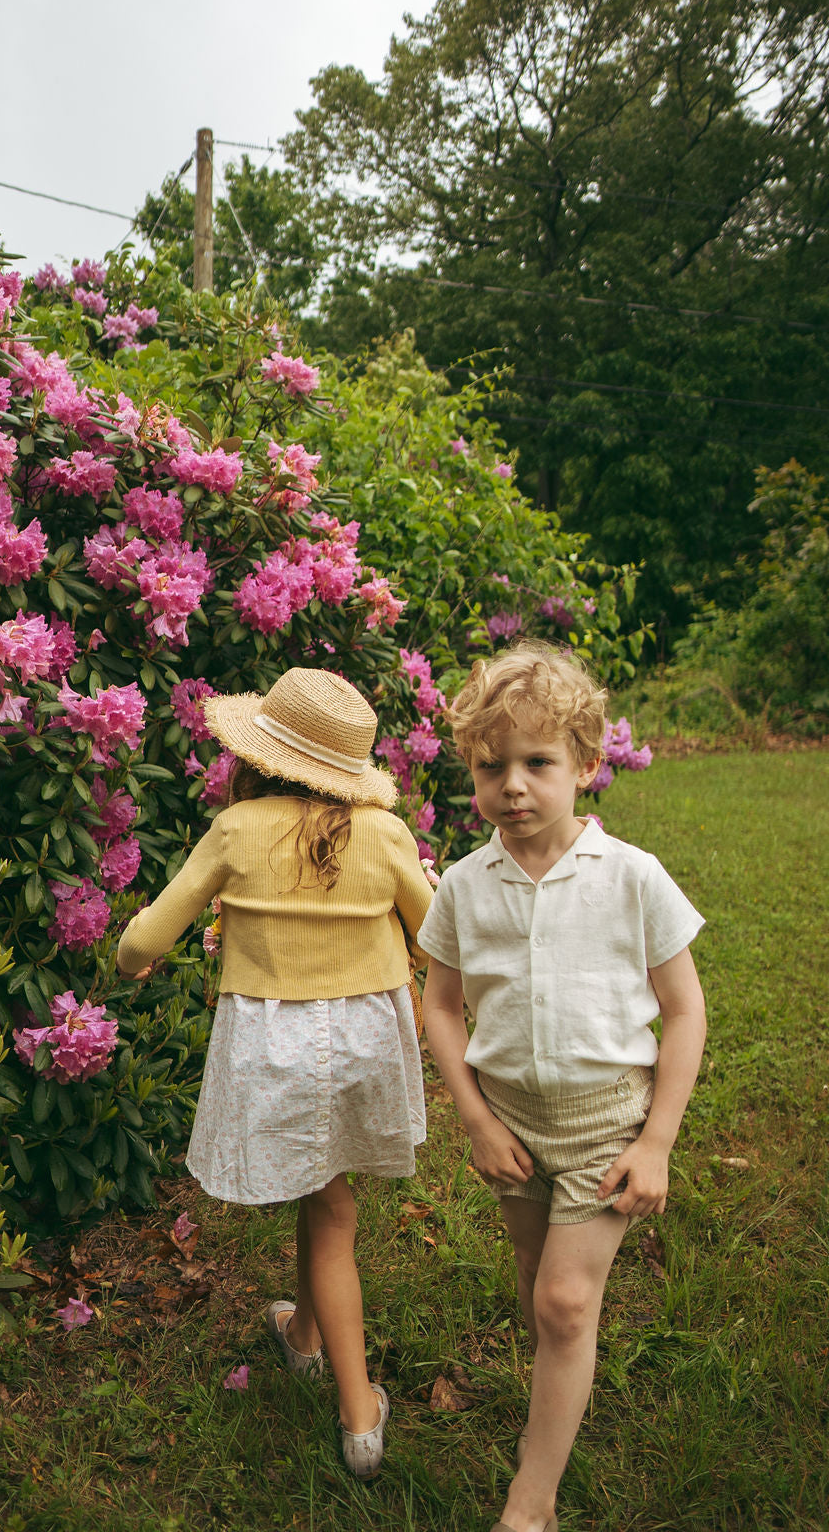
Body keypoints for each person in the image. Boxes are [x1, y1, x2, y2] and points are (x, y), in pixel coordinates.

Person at [117, 667, 433, 1479]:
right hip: (366, 1036)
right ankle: (303, 1335)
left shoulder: (237, 830)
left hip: (275, 1041)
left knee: (329, 1203)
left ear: (260, 757)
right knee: (323, 1189)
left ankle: (359, 1416)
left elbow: (146, 940)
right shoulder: (386, 835)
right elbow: (437, 935)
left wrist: (130, 956)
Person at [418, 641, 706, 1532]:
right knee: (535, 1275)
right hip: (510, 1120)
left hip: (605, 1124)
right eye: (490, 767)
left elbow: (685, 1011)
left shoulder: (631, 878)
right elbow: (440, 1006)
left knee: (565, 1301)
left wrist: (656, 1142)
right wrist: (475, 1120)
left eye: (537, 763)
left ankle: (529, 1505)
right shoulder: (464, 887)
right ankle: (558, 1367)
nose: (512, 786)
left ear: (585, 765)